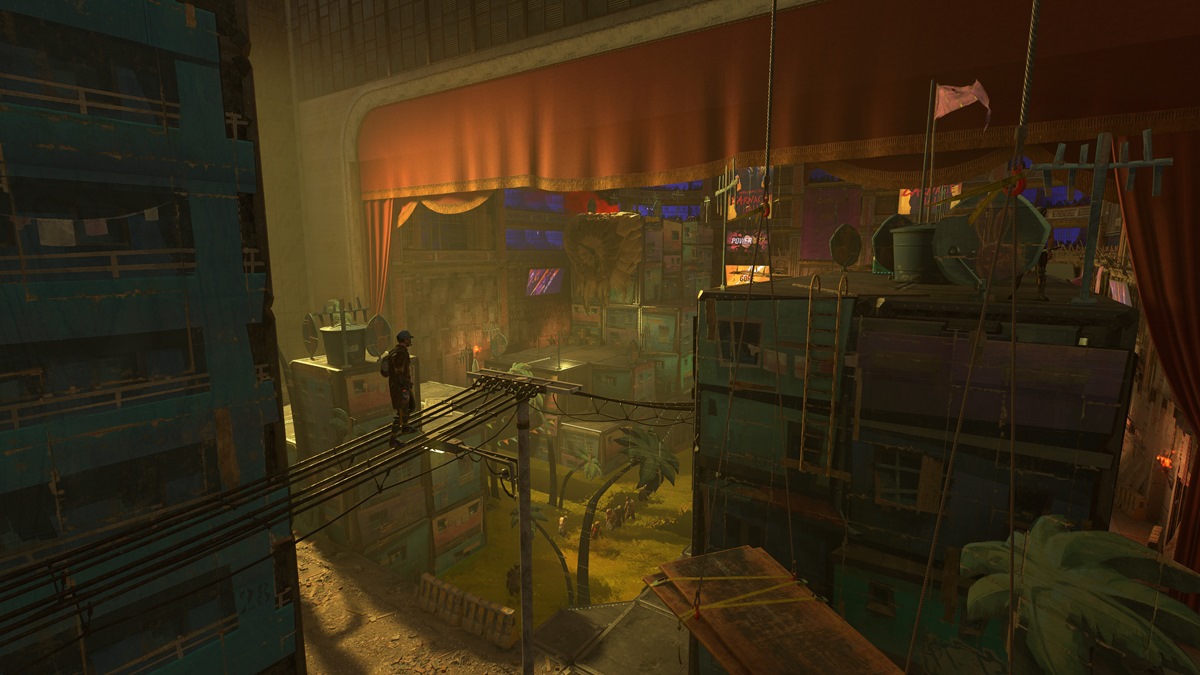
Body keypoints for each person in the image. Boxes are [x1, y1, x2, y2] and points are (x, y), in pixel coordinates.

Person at [381, 330, 416, 440]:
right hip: (400, 387)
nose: (409, 341)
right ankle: (393, 437)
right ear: (405, 340)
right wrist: (404, 383)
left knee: (409, 406)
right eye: (408, 339)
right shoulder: (400, 353)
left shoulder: (395, 352)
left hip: (401, 386)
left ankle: (405, 427)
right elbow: (398, 370)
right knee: (402, 409)